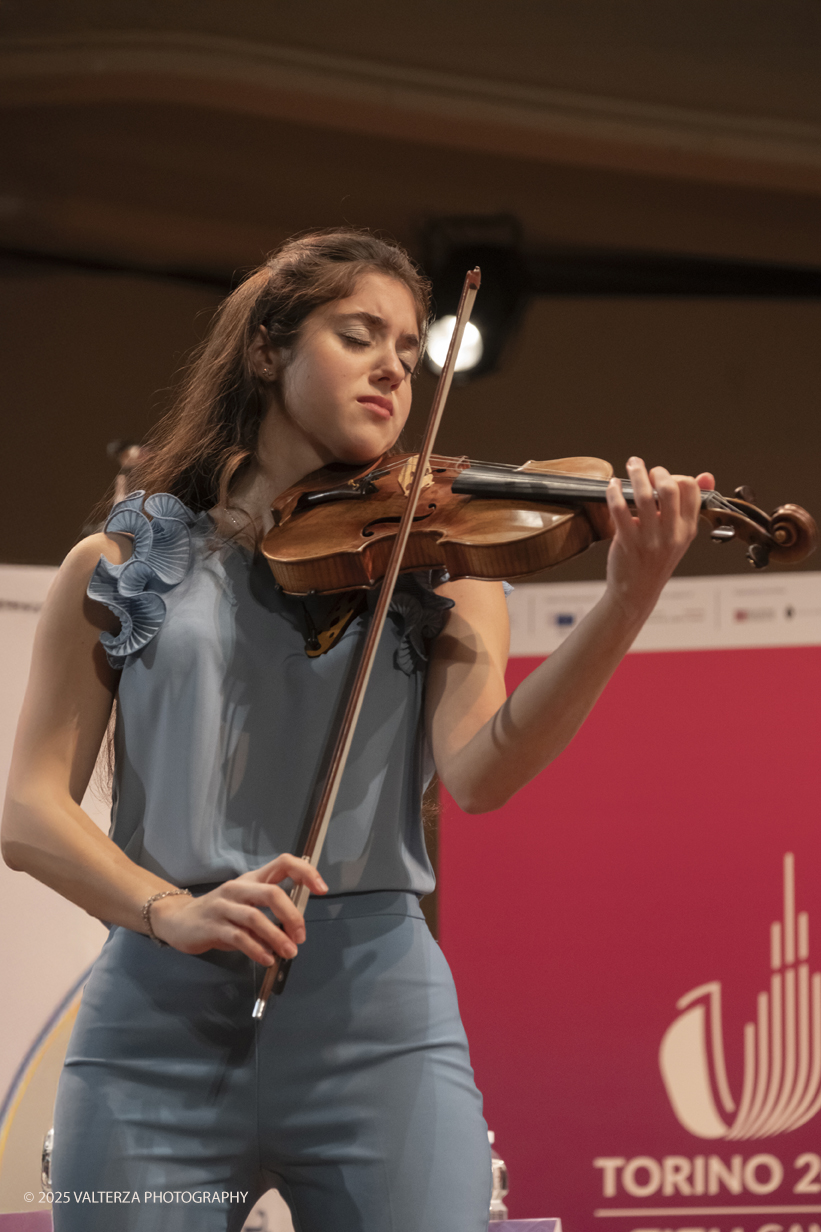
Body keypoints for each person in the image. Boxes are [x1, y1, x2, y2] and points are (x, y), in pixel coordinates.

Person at [1, 229, 713, 1232]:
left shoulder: (440, 559)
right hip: (154, 1023)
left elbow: (480, 772)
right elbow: (28, 811)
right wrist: (167, 909)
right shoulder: (122, 558)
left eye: (408, 350)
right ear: (266, 350)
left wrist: (624, 601)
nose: (392, 366)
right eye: (357, 334)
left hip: (376, 1019)